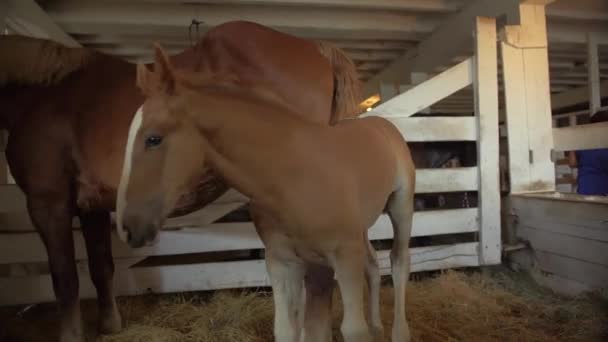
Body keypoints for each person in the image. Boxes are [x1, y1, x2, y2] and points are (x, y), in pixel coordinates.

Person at [567, 111, 608, 196]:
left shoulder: (583, 142)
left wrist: (572, 145)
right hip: (603, 190)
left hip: (585, 189)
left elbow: (572, 163)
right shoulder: (605, 143)